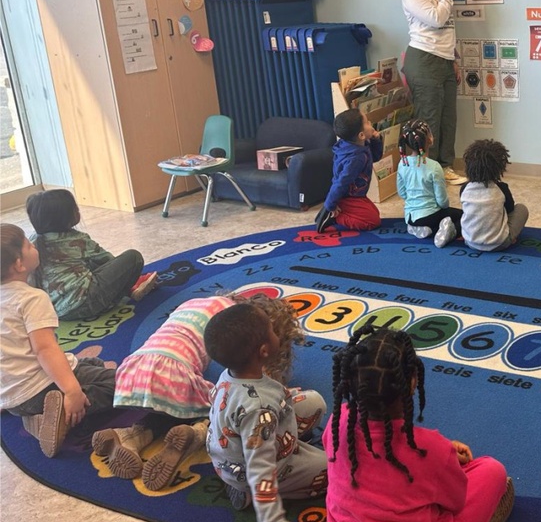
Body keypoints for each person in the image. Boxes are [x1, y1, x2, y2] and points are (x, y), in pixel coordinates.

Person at [323, 325, 514, 522]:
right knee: (492, 471)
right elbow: (455, 503)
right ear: (412, 382)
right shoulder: (431, 448)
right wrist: (445, 458)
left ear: (350, 381)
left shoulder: (337, 422)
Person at [95, 293, 321, 490]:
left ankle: (130, 436)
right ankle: (197, 434)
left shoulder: (199, 306)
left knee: (173, 405)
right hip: (175, 377)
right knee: (218, 409)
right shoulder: (237, 332)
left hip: (130, 372)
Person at [205, 301, 329, 522]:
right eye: (272, 330)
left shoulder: (231, 374)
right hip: (259, 465)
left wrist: (281, 398)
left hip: (247, 443)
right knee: (333, 471)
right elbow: (260, 467)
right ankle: (246, 492)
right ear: (264, 350)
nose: (276, 333)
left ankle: (241, 474)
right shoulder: (258, 408)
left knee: (315, 402)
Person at [0, 224, 115, 457]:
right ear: (19, 264)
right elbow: (45, 349)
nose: (34, 245)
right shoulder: (31, 299)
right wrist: (72, 392)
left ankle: (36, 414)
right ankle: (59, 414)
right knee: (121, 383)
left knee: (92, 363)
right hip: (39, 389)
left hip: (12, 399)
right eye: (29, 244)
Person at [26, 189, 157, 321]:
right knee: (133, 257)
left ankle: (131, 289)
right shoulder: (77, 239)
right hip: (86, 303)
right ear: (65, 217)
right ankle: (131, 288)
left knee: (88, 263)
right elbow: (108, 260)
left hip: (57, 311)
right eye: (75, 208)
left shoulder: (32, 241)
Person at [400, 0, 466, 186]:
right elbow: (437, 19)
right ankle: (427, 173)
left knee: (448, 118)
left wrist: (453, 59)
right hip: (424, 60)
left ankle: (445, 167)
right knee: (429, 120)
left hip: (444, 61)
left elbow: (447, 29)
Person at [397, 119, 463, 248]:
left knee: (433, 217)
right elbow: (442, 202)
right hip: (430, 215)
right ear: (430, 140)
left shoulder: (402, 163)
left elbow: (402, 193)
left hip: (410, 216)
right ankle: (448, 232)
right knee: (462, 216)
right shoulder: (434, 167)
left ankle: (420, 228)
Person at [315, 108, 384, 233]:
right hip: (346, 197)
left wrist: (376, 140)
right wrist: (330, 205)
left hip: (357, 195)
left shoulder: (359, 144)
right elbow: (341, 182)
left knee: (374, 212)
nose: (370, 124)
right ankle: (335, 217)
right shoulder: (355, 159)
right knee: (373, 221)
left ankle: (340, 210)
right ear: (361, 135)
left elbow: (375, 157)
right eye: (367, 122)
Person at [459, 139, 529, 252]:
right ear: (499, 167)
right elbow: (510, 209)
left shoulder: (464, 188)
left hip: (470, 242)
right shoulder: (502, 188)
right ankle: (509, 237)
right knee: (521, 208)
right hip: (500, 244)